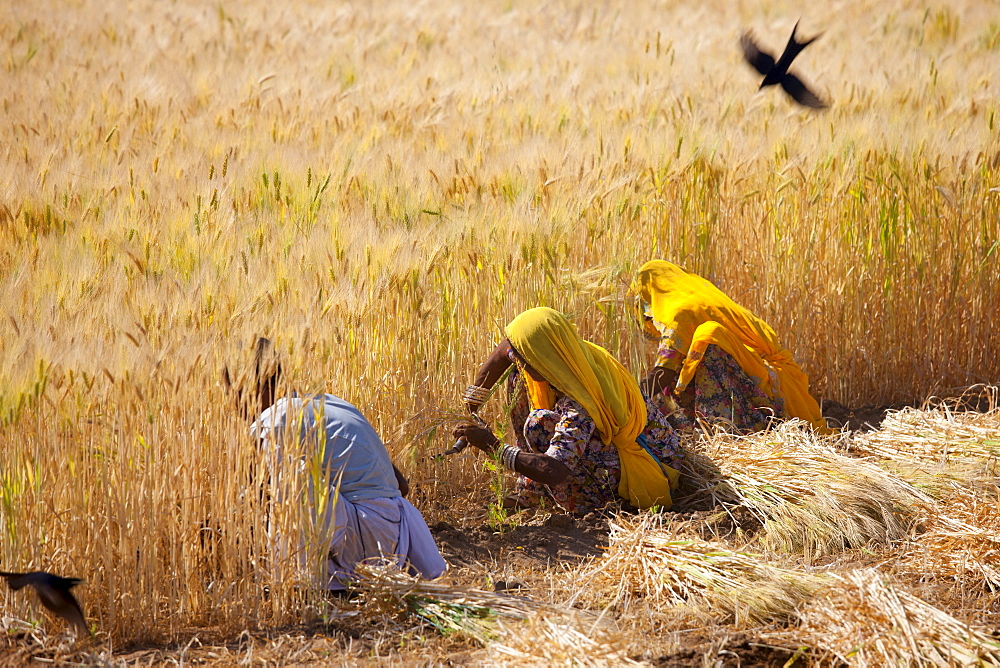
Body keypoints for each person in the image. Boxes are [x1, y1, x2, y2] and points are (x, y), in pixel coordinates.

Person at [230, 338, 446, 590]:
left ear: (250, 385)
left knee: (283, 478)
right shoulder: (332, 404)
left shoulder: (274, 422)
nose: (233, 403)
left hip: (360, 544)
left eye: (232, 390)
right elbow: (401, 485)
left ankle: (303, 582)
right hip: (394, 540)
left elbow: (254, 496)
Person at [454, 308, 682, 515]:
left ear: (542, 361)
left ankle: (591, 507)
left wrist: (491, 446)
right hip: (612, 444)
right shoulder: (566, 355)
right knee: (518, 378)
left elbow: (554, 470)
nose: (519, 361)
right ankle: (532, 490)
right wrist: (471, 405)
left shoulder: (581, 401)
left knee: (539, 423)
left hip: (645, 468)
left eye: (524, 359)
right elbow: (505, 350)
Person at [631, 260, 828, 433]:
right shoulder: (702, 301)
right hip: (768, 378)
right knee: (689, 358)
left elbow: (662, 373)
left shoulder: (679, 314)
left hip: (760, 391)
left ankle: (728, 428)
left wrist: (629, 399)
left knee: (706, 342)